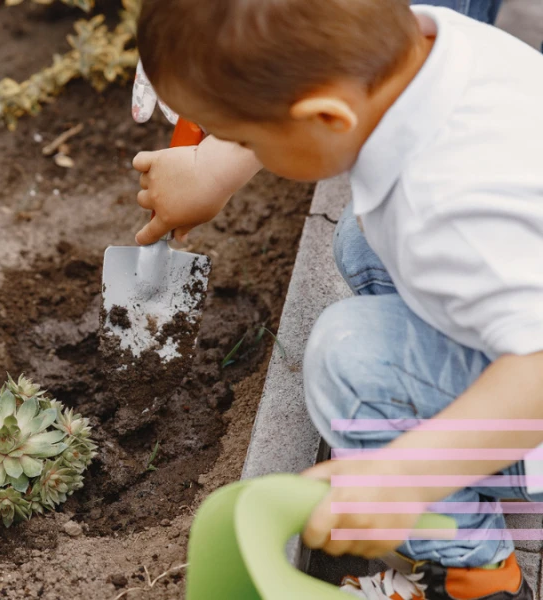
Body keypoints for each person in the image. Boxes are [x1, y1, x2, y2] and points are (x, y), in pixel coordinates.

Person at [131, 0, 543, 599]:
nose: (245, 147)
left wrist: (406, 476)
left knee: (348, 360)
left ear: (326, 117)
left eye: (245, 137)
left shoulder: (449, 211)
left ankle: (473, 574)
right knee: (362, 237)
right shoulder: (431, 41)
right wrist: (215, 166)